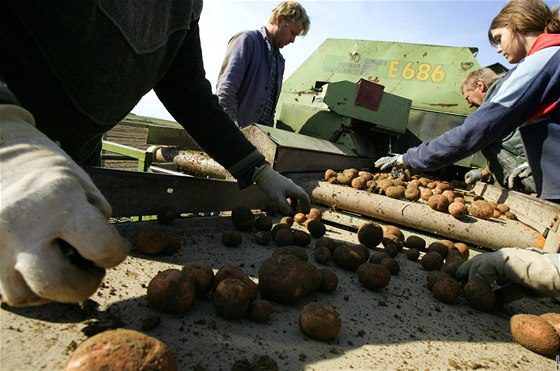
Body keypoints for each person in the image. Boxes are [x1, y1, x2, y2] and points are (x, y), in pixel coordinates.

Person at [0, 0, 311, 307]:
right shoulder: (248, 40)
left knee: (59, 276)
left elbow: (190, 95)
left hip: (78, 150)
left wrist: (257, 169)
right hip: (17, 143)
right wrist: (9, 141)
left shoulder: (184, 8)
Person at [375, 0, 560, 298]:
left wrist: (411, 157)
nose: (498, 50)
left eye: (499, 39)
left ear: (516, 27)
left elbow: (474, 132)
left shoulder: (542, 61)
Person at [216, 1, 310, 128]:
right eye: (292, 33)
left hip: (257, 138)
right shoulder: (247, 40)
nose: (293, 40)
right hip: (234, 135)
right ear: (279, 20)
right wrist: (234, 130)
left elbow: (270, 110)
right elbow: (226, 92)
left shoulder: (279, 62)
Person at [461, 67, 536, 194]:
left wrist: (417, 158)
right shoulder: (508, 100)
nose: (469, 105)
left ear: (480, 86)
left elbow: (462, 139)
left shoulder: (498, 109)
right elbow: (509, 149)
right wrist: (485, 172)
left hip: (539, 184)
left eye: (468, 98)